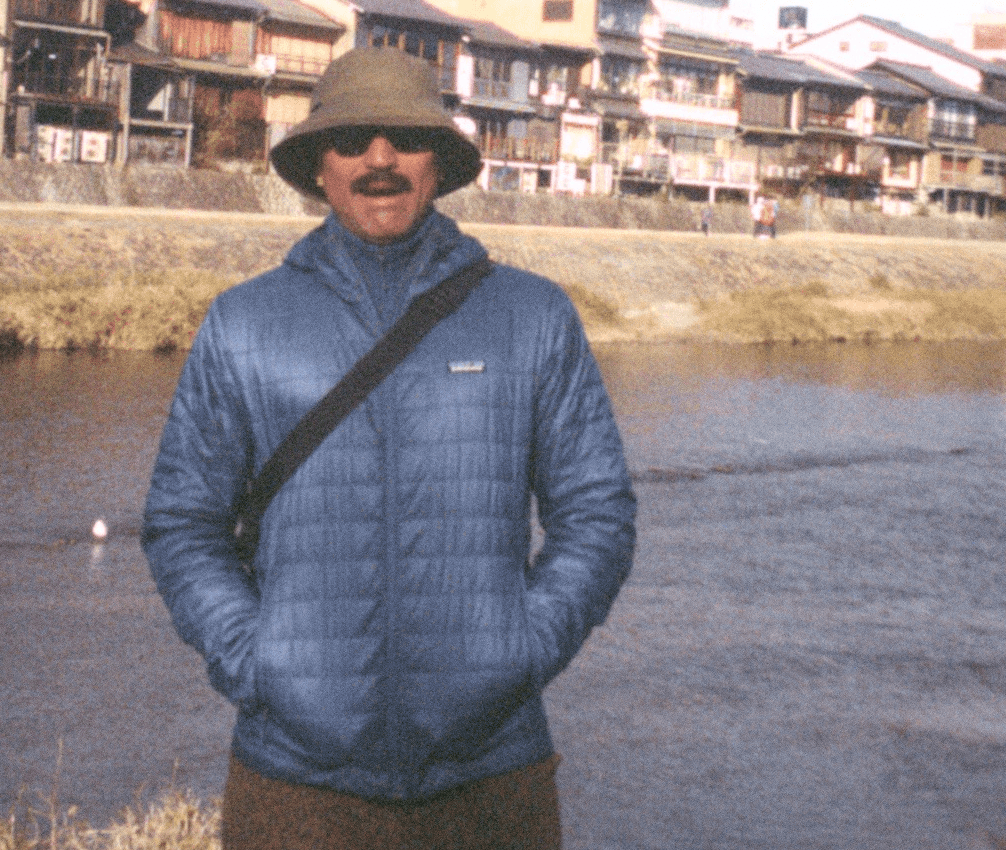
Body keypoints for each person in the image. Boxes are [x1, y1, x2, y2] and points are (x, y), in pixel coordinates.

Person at [143, 49, 636, 850]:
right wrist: (259, 664)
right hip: (294, 781)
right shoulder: (243, 325)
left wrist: (520, 652)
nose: (379, 160)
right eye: (351, 141)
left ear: (439, 160)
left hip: (492, 777)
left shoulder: (535, 317)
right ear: (317, 167)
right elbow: (181, 524)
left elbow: (598, 515)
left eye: (404, 137)